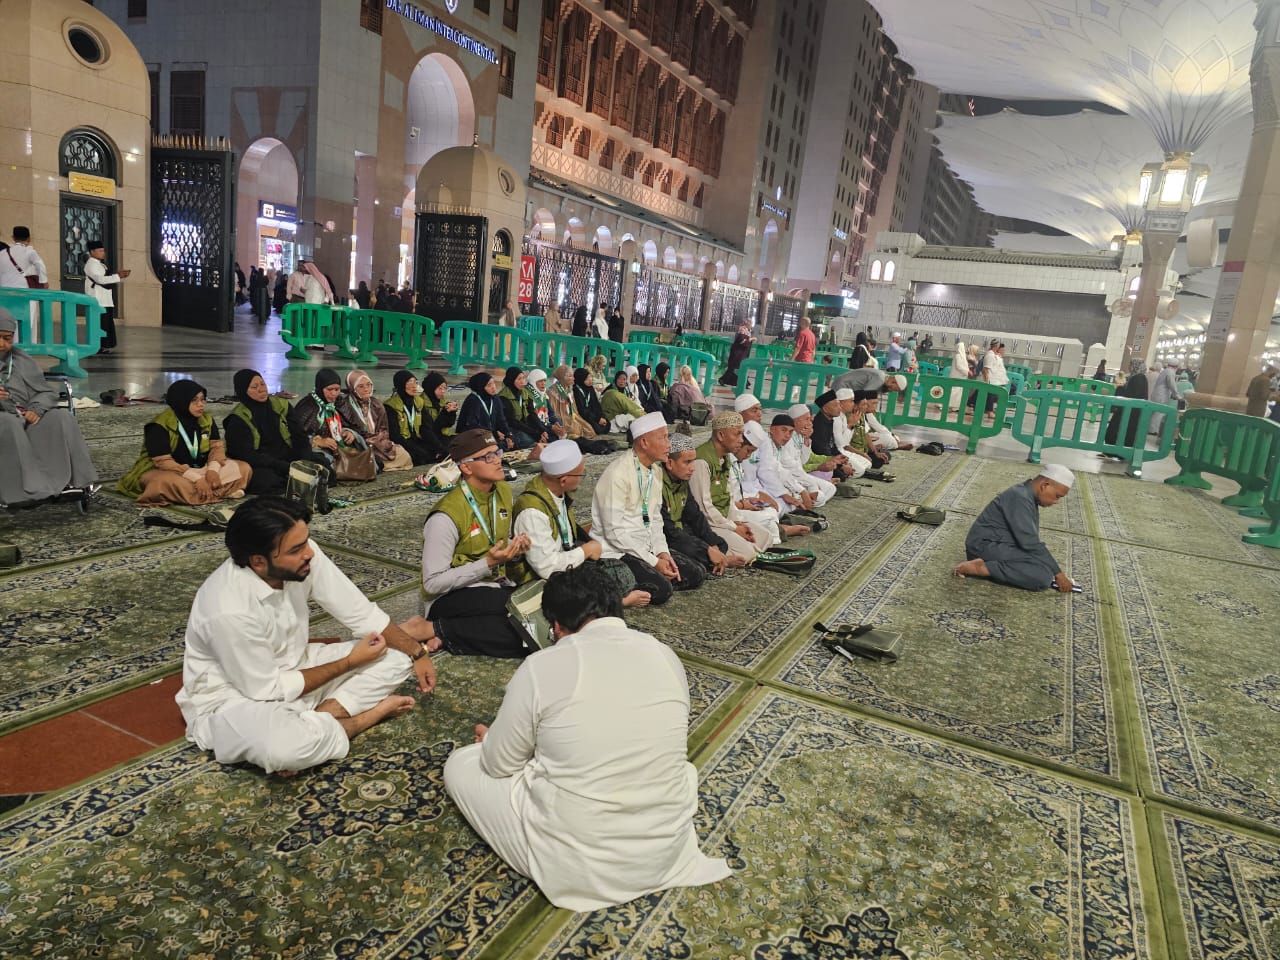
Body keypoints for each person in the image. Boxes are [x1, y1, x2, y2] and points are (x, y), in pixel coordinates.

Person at [442, 562, 732, 911]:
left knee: (462, 763)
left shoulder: (542, 666)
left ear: (556, 626)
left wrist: (491, 742)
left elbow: (499, 764)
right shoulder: (664, 654)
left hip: (582, 866)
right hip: (664, 851)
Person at [176, 496, 436, 776]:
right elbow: (266, 690)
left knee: (395, 654)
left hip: (298, 664)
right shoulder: (227, 608)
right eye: (297, 549)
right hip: (237, 697)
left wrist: (416, 652)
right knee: (283, 749)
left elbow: (360, 612)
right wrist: (349, 662)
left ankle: (317, 720)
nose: (309, 553)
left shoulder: (304, 557)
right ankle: (364, 718)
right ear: (259, 562)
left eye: (307, 541)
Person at [419, 429, 533, 657]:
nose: (498, 460)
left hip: (494, 584)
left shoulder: (501, 491)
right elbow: (431, 584)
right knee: (522, 625)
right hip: (449, 597)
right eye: (488, 457)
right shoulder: (445, 516)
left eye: (497, 452)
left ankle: (446, 634)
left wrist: (515, 547)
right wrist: (488, 563)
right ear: (466, 467)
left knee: (535, 607)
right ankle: (440, 628)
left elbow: (494, 541)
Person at [509, 438, 649, 605]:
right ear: (563, 480)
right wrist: (585, 551)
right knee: (610, 584)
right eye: (580, 474)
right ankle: (615, 602)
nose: (582, 479)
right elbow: (547, 569)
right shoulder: (532, 512)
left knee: (623, 575)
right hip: (541, 579)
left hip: (565, 560)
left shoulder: (558, 493)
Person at [590, 412, 706, 604]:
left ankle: (650, 576)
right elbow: (614, 533)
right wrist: (654, 563)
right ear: (644, 442)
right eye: (663, 437)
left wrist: (662, 553)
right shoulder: (618, 474)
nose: (669, 444)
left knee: (696, 573)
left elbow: (655, 518)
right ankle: (610, 588)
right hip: (618, 551)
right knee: (662, 590)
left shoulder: (655, 471)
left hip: (646, 547)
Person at [0, 309, 99, 504]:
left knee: (61, 417)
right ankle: (25, 492)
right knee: (8, 422)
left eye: (7, 338)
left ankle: (74, 483)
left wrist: (36, 408)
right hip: (5, 421)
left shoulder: (20, 359)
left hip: (26, 416)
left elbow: (45, 392)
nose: (2, 344)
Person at [118, 379, 252, 505]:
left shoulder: (206, 420)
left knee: (243, 467)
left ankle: (201, 493)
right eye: (194, 401)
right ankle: (219, 492)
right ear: (181, 401)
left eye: (202, 400)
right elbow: (163, 462)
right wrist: (196, 479)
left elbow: (216, 448)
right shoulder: (159, 426)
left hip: (202, 468)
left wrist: (213, 471)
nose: (201, 405)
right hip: (171, 471)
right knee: (161, 483)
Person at [955, 465, 1076, 593]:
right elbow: (1029, 543)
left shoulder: (1026, 495)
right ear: (1045, 485)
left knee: (1044, 565)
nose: (1056, 501)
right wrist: (1059, 574)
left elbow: (1030, 542)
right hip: (984, 546)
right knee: (1043, 577)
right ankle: (982, 568)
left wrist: (1052, 569)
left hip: (1001, 544)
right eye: (1057, 496)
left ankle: (988, 566)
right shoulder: (1020, 497)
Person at [224, 369, 334, 493]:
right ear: (243, 391)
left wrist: (303, 460)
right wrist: (282, 466)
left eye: (262, 384)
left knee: (324, 468)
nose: (261, 389)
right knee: (268, 482)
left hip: (286, 455)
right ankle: (296, 481)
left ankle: (298, 478)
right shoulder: (238, 418)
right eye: (254, 387)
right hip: (263, 462)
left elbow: (299, 436)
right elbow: (247, 455)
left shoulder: (281, 405)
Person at [689, 412, 774, 560]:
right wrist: (734, 528)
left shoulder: (725, 458)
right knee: (748, 552)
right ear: (721, 435)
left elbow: (728, 498)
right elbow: (704, 508)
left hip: (724, 521)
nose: (742, 440)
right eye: (737, 434)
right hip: (708, 524)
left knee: (765, 537)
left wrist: (738, 522)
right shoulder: (701, 461)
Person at [662, 432, 744, 575]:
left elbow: (695, 516)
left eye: (693, 461)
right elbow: (668, 530)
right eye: (687, 462)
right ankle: (717, 561)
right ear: (670, 463)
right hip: (666, 537)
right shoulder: (658, 484)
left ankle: (717, 559)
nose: (692, 467)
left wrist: (712, 544)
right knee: (695, 570)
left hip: (681, 532)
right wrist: (706, 549)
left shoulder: (682, 481)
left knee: (720, 543)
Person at [295, 369, 366, 471]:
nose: (333, 394)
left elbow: (355, 425)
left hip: (340, 447)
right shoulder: (307, 406)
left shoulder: (340, 402)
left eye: (337, 389)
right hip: (319, 450)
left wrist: (349, 432)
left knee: (368, 457)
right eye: (329, 389)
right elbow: (296, 435)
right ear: (320, 388)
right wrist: (317, 441)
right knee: (323, 461)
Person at [344, 370, 413, 471]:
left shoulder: (376, 404)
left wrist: (377, 441)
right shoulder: (345, 405)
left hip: (378, 444)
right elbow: (346, 429)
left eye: (368, 385)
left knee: (404, 455)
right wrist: (363, 439)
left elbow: (384, 430)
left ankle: (378, 466)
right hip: (359, 445)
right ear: (352, 388)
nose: (366, 389)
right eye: (361, 386)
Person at [384, 370, 448, 465]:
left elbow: (426, 429)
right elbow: (395, 436)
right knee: (422, 457)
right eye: (409, 383)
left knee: (443, 451)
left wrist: (439, 447)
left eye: (415, 382)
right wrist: (418, 450)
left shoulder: (418, 402)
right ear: (401, 385)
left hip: (417, 439)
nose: (414, 386)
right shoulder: (390, 406)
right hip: (402, 443)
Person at [83, 239, 130, 355]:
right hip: (97, 298)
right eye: (100, 251)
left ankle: (103, 346)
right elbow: (100, 279)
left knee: (105, 323)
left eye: (103, 250)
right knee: (99, 323)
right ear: (92, 252)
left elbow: (106, 278)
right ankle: (97, 346)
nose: (103, 253)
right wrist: (118, 276)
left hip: (104, 298)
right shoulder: (91, 264)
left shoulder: (100, 264)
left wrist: (118, 276)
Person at [457, 371, 517, 450]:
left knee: (514, 441)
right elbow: (472, 426)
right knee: (496, 446)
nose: (493, 387)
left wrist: (508, 435)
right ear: (481, 387)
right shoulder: (473, 401)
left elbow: (501, 420)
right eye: (489, 385)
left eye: (493, 383)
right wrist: (493, 433)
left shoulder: (495, 398)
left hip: (490, 434)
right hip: (474, 436)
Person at [1103, 359, 1150, 449]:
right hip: (1133, 411)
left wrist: (1121, 390)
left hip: (1130, 411)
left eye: (1131, 364)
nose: (1129, 367)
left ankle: (1114, 450)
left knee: (1118, 429)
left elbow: (1132, 394)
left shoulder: (1138, 378)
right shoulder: (1140, 377)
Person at [600, 368, 645, 433]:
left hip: (622, 414)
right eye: (619, 379)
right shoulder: (611, 391)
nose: (621, 381)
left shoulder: (627, 391)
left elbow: (632, 403)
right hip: (611, 417)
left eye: (624, 379)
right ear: (616, 379)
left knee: (633, 417)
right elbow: (627, 405)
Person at [573, 367, 611, 434]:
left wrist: (601, 416)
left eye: (590, 377)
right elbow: (581, 410)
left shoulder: (590, 388)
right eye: (587, 379)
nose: (590, 380)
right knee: (594, 428)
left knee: (607, 423)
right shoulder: (576, 390)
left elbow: (596, 404)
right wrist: (597, 419)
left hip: (592, 415)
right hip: (584, 416)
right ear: (581, 379)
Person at [420, 371, 459, 437]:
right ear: (431, 388)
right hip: (430, 438)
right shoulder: (421, 404)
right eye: (440, 388)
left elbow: (449, 424)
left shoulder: (441, 401)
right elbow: (433, 429)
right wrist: (445, 412)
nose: (443, 391)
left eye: (445, 388)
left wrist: (452, 413)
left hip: (444, 435)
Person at [1148, 361, 1179, 434]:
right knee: (1159, 412)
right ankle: (1153, 430)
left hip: (1156, 394)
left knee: (1154, 412)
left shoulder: (1165, 371)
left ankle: (1150, 428)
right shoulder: (1170, 372)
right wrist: (1177, 395)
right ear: (1176, 366)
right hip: (1162, 395)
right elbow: (1172, 385)